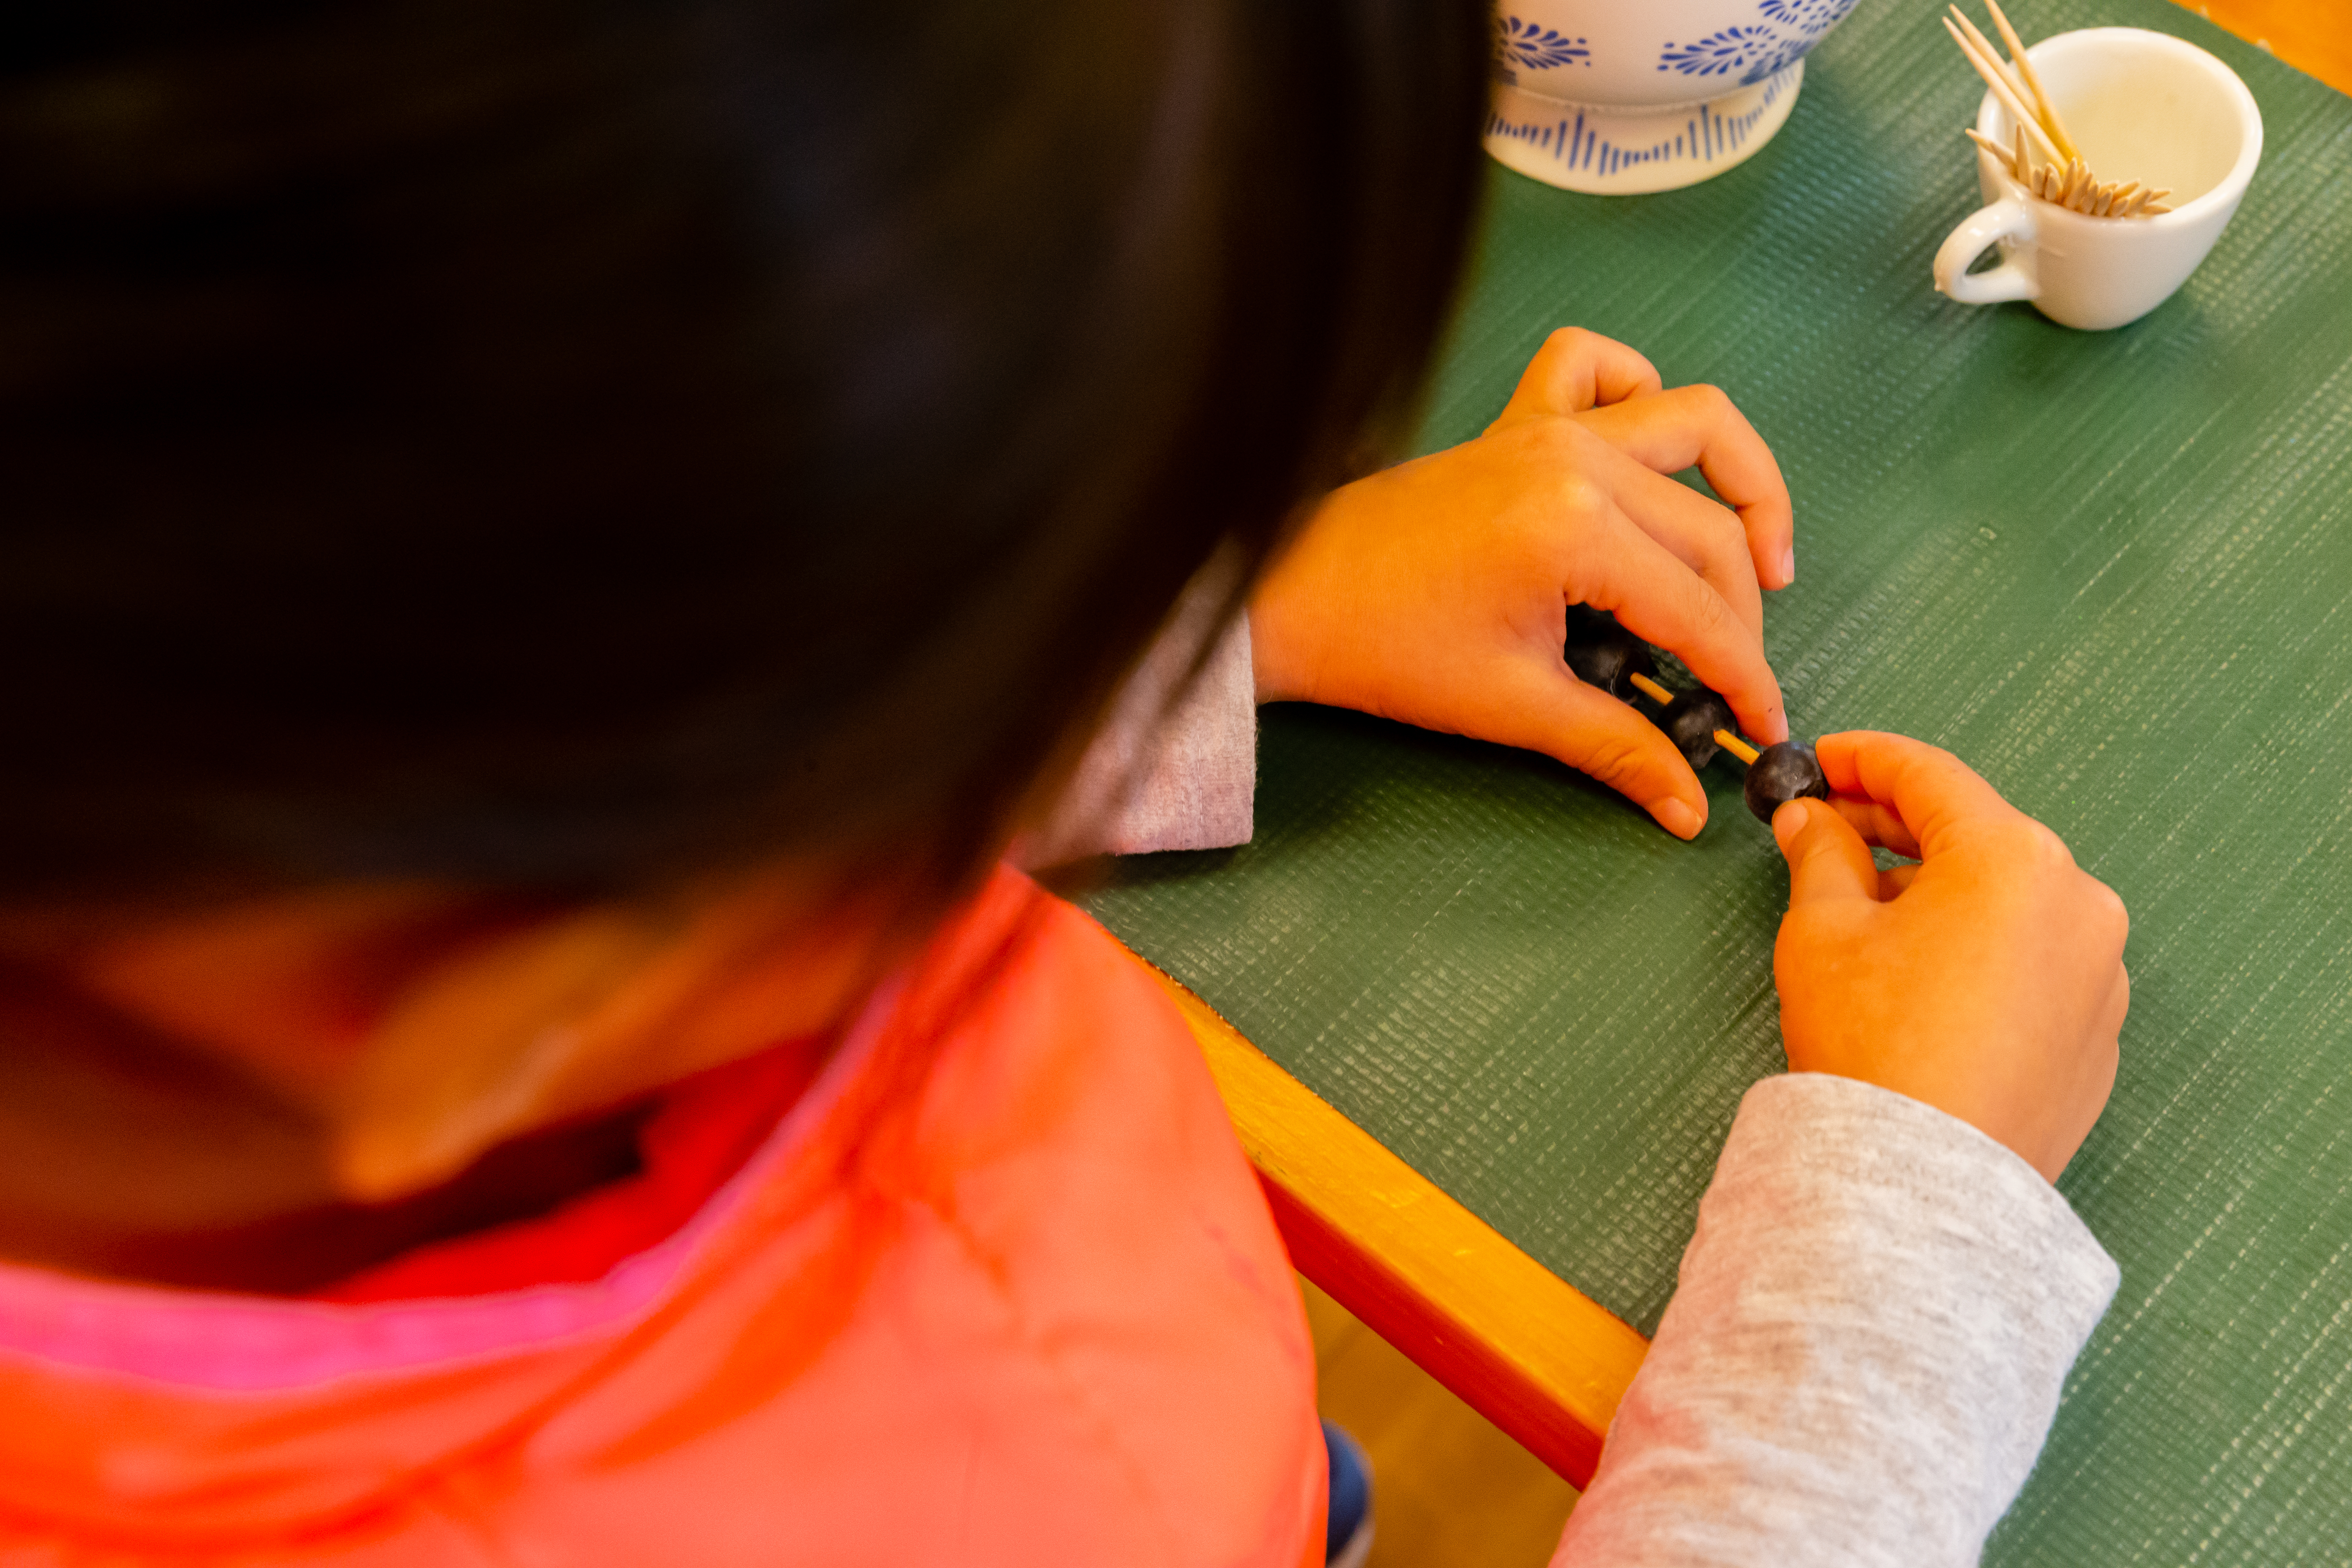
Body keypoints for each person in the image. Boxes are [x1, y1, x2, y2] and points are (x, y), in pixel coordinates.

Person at [0, 1, 2125, 1563]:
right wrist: (1900, 1260)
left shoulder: (269, 809)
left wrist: (1261, 606)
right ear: (485, 977)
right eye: (1057, 633)